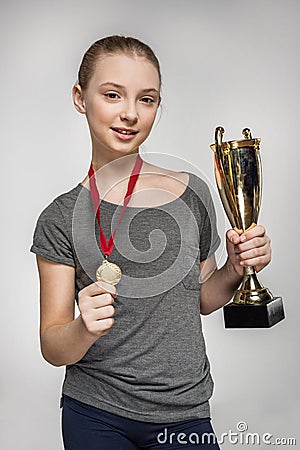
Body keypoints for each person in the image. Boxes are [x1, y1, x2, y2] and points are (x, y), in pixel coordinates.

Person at [30, 36, 271, 450]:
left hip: (185, 411)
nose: (129, 114)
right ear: (80, 97)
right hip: (96, 412)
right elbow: (53, 345)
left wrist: (235, 268)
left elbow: (202, 298)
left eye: (147, 99)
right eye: (112, 94)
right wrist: (83, 328)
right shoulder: (60, 217)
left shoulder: (190, 192)